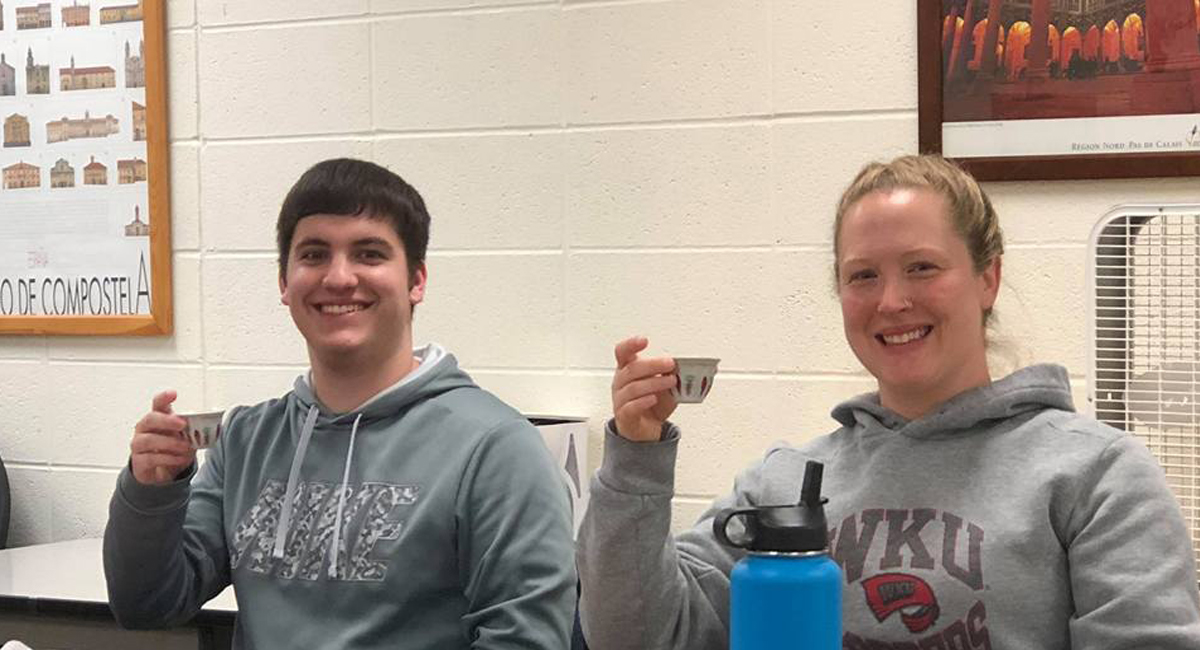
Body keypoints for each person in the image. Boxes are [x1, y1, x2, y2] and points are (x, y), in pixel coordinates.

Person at [577, 154, 1200, 649]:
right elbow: (637, 636)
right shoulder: (783, 482)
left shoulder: (1097, 476)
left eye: (922, 267)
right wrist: (635, 458)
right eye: (863, 275)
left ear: (987, 278)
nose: (892, 301)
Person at [104, 158, 576, 649]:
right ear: (284, 283)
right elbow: (147, 604)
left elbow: (526, 640)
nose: (339, 277)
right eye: (314, 255)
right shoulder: (246, 441)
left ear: (416, 280)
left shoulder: (494, 449)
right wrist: (151, 491)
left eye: (369, 254)